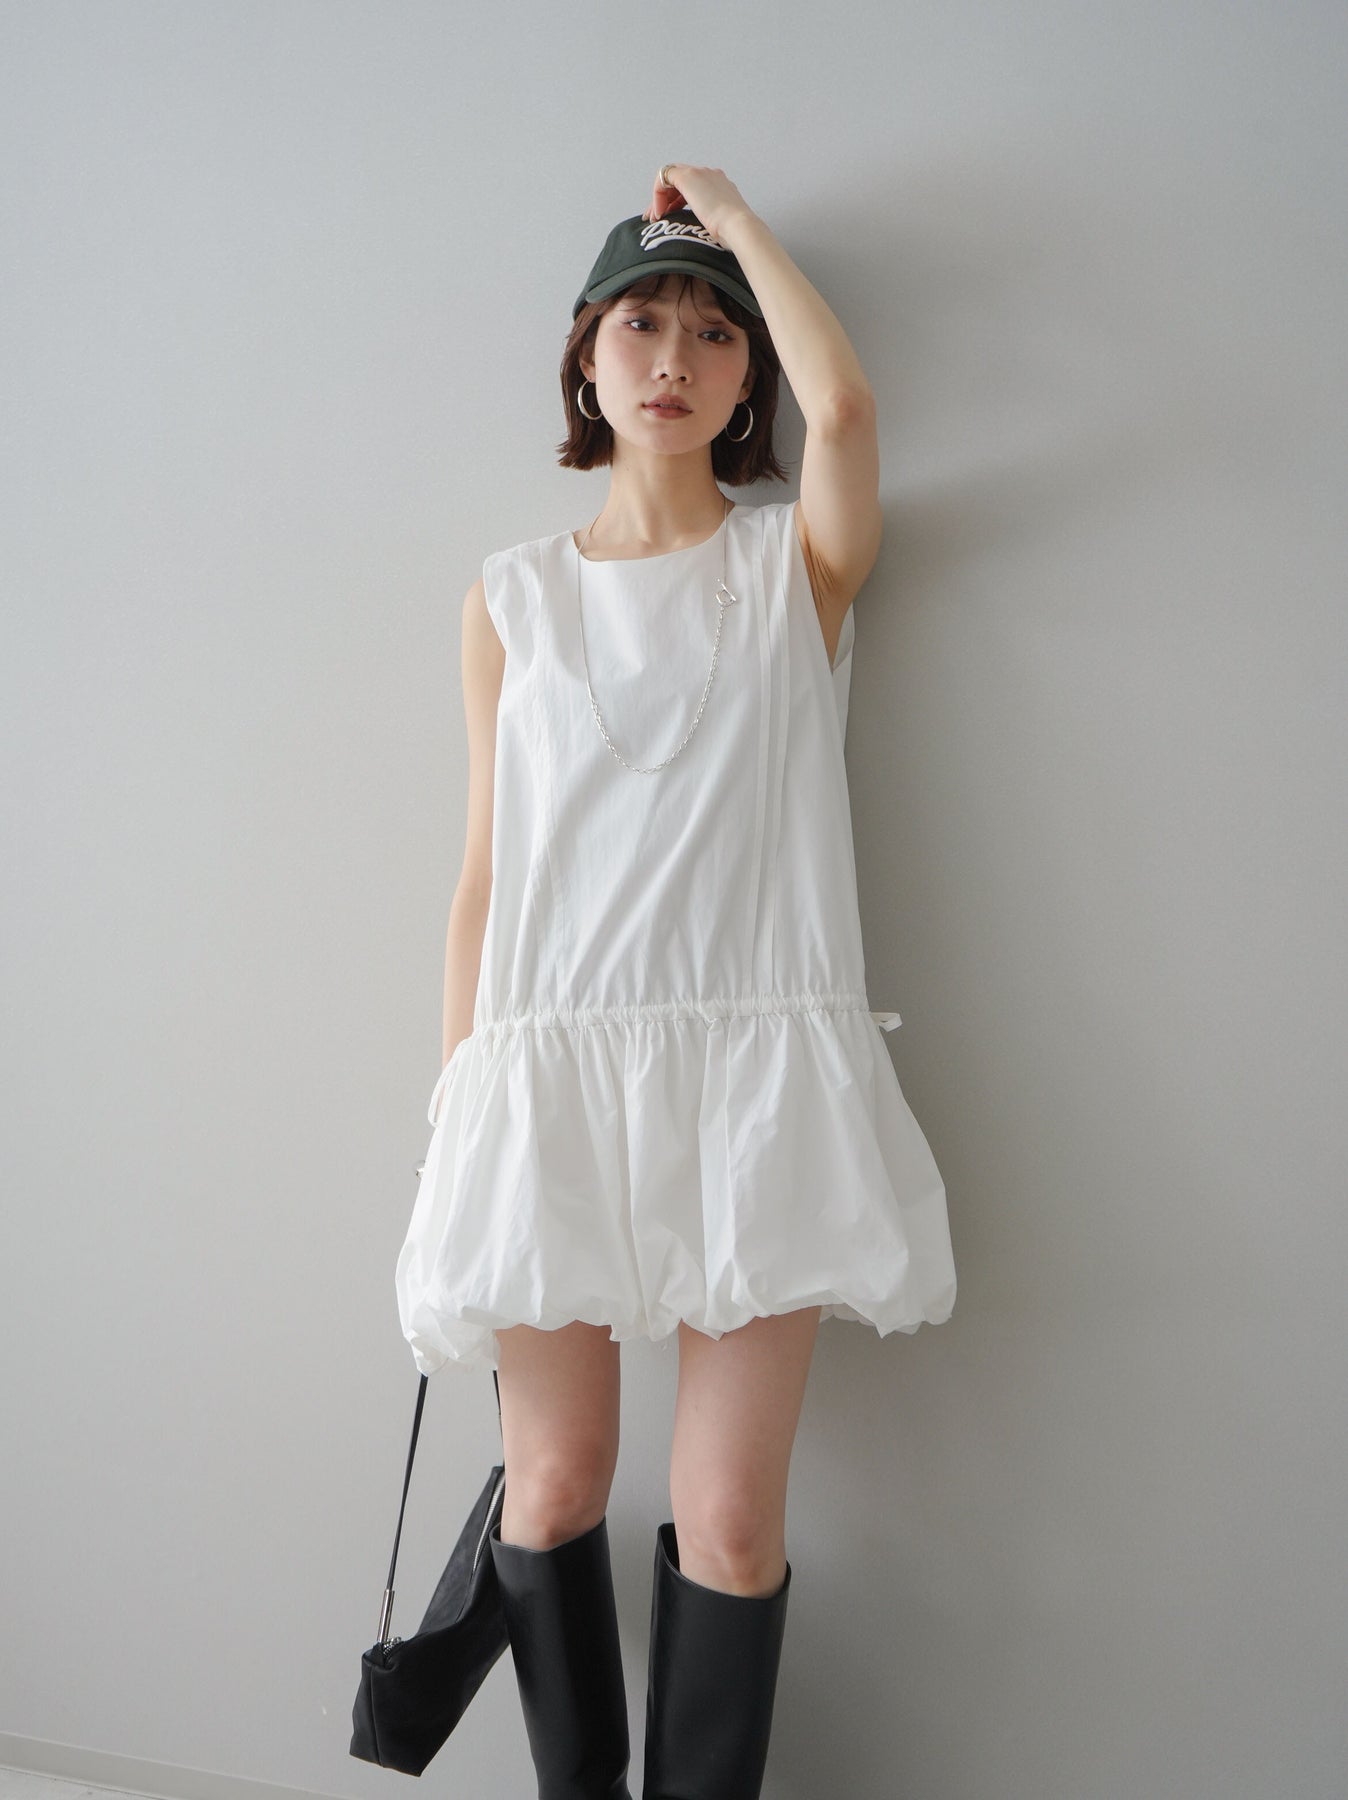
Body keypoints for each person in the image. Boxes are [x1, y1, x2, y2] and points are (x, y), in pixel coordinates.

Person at [394, 164, 957, 1800]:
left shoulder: (795, 571)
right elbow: (484, 876)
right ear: (586, 357)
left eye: (715, 334)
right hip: (545, 1072)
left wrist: (725, 210)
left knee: (725, 1516)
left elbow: (848, 412)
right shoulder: (512, 597)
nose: (675, 359)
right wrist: (458, 1107)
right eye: (641, 323)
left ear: (746, 375)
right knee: (553, 1484)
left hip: (756, 1076)